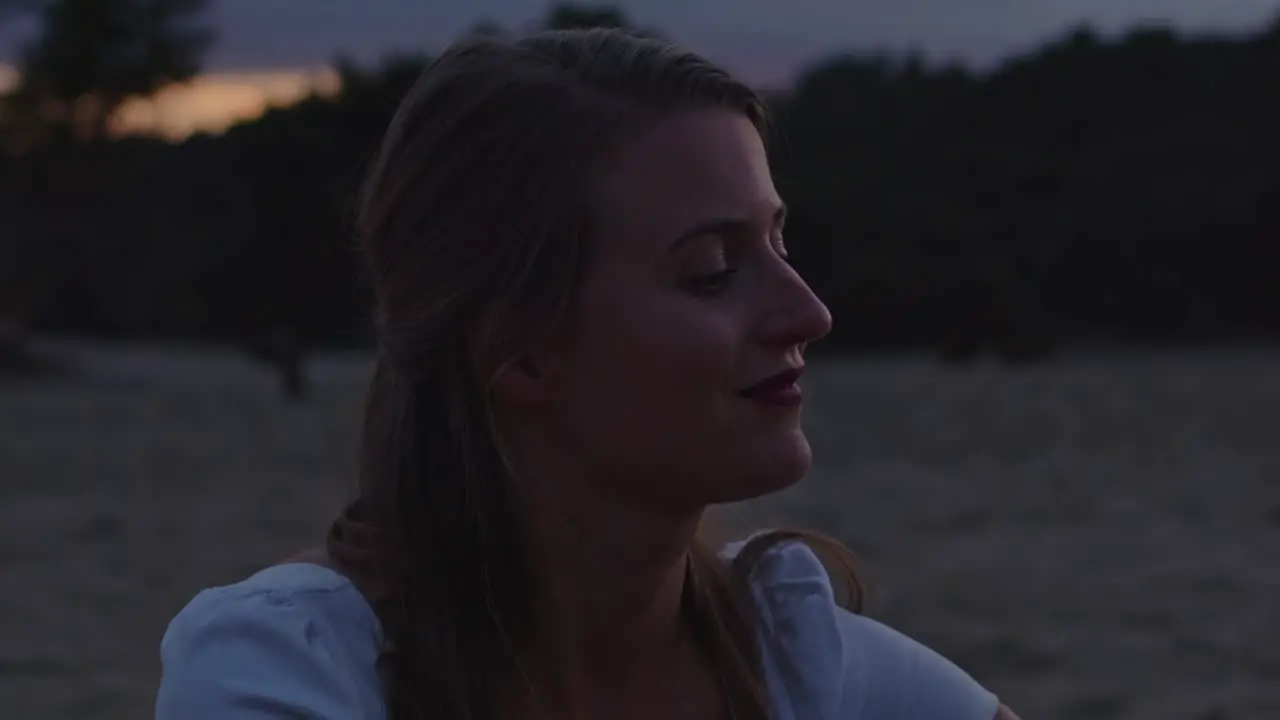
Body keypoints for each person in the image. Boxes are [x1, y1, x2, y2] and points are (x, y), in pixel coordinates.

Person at [154, 28, 1021, 720]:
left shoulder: (799, 666)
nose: (808, 314)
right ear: (518, 349)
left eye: (779, 243)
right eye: (713, 270)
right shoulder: (294, 675)